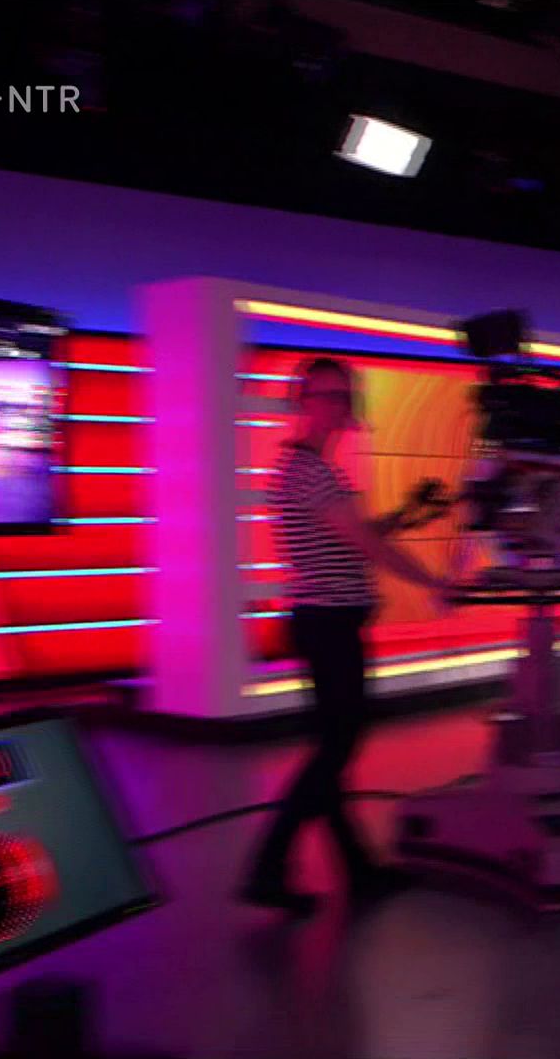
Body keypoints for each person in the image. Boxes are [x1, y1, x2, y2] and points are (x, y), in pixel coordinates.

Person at [239, 356, 448, 917]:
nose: (338, 405)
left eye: (344, 396)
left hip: (324, 621)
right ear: (301, 401)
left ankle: (357, 871)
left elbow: (353, 535)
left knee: (334, 745)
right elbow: (367, 546)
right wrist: (435, 582)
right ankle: (267, 866)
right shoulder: (309, 471)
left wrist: (406, 514)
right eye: (327, 395)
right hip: (328, 624)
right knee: (337, 747)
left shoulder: (311, 469)